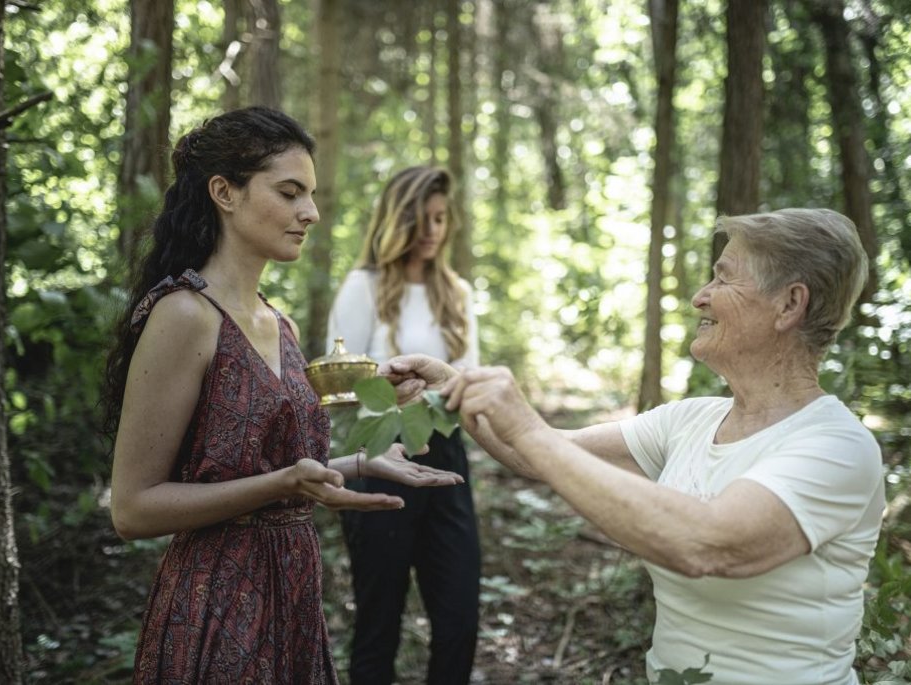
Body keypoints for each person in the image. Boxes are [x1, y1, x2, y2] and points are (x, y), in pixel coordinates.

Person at [380, 208, 885, 685]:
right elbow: (537, 453)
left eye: (724, 277)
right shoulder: (692, 419)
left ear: (790, 305)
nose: (700, 297)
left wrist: (528, 428)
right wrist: (454, 387)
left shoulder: (836, 446)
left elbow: (710, 544)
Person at [102, 108, 464, 684]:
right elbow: (133, 509)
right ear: (225, 192)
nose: (311, 213)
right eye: (290, 192)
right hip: (217, 604)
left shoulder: (281, 324)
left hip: (294, 593)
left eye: (311, 195)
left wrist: (362, 463)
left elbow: (281, 470)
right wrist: (285, 483)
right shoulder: (183, 315)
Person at [326, 166, 481, 684]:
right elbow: (335, 385)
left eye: (442, 218)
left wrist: (443, 388)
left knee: (458, 615)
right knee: (379, 617)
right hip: (378, 458)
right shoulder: (362, 287)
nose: (434, 229)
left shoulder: (456, 291)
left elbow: (469, 379)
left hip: (446, 455)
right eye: (423, 217)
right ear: (399, 218)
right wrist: (384, 385)